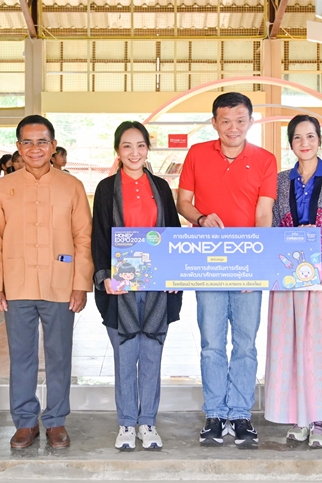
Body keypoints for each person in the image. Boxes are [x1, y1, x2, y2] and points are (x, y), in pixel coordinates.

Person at [0, 115, 93, 450]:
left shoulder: (71, 186)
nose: (35, 148)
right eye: (27, 142)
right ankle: (25, 422)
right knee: (22, 355)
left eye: (42, 141)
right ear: (18, 147)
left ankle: (56, 420)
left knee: (59, 355)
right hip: (16, 284)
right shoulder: (3, 186)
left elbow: (83, 238)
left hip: (60, 283)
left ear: (53, 146)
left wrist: (80, 283)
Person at [177, 92, 277, 446]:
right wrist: (201, 218)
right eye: (225, 120)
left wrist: (257, 267)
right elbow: (183, 202)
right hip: (207, 264)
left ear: (251, 121)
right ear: (214, 122)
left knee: (247, 343)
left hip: (248, 264)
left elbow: (264, 214)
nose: (232, 127)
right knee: (211, 343)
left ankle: (241, 413)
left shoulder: (265, 160)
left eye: (240, 120)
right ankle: (215, 412)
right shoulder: (197, 154)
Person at [264, 115, 322, 448]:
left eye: (311, 137)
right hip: (288, 278)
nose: (305, 143)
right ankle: (298, 417)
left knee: (321, 349)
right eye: (298, 138)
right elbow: (271, 226)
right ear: (291, 143)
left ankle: (319, 420)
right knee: (291, 347)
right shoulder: (278, 181)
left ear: (319, 140)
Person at [92, 121, 183, 450]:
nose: (134, 152)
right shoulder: (106, 189)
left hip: (157, 289)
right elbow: (100, 236)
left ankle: (149, 423)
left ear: (148, 149)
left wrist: (174, 275)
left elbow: (171, 234)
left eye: (140, 145)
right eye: (127, 146)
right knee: (125, 356)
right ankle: (127, 423)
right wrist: (105, 277)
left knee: (152, 357)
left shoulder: (161, 187)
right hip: (120, 290)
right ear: (118, 150)